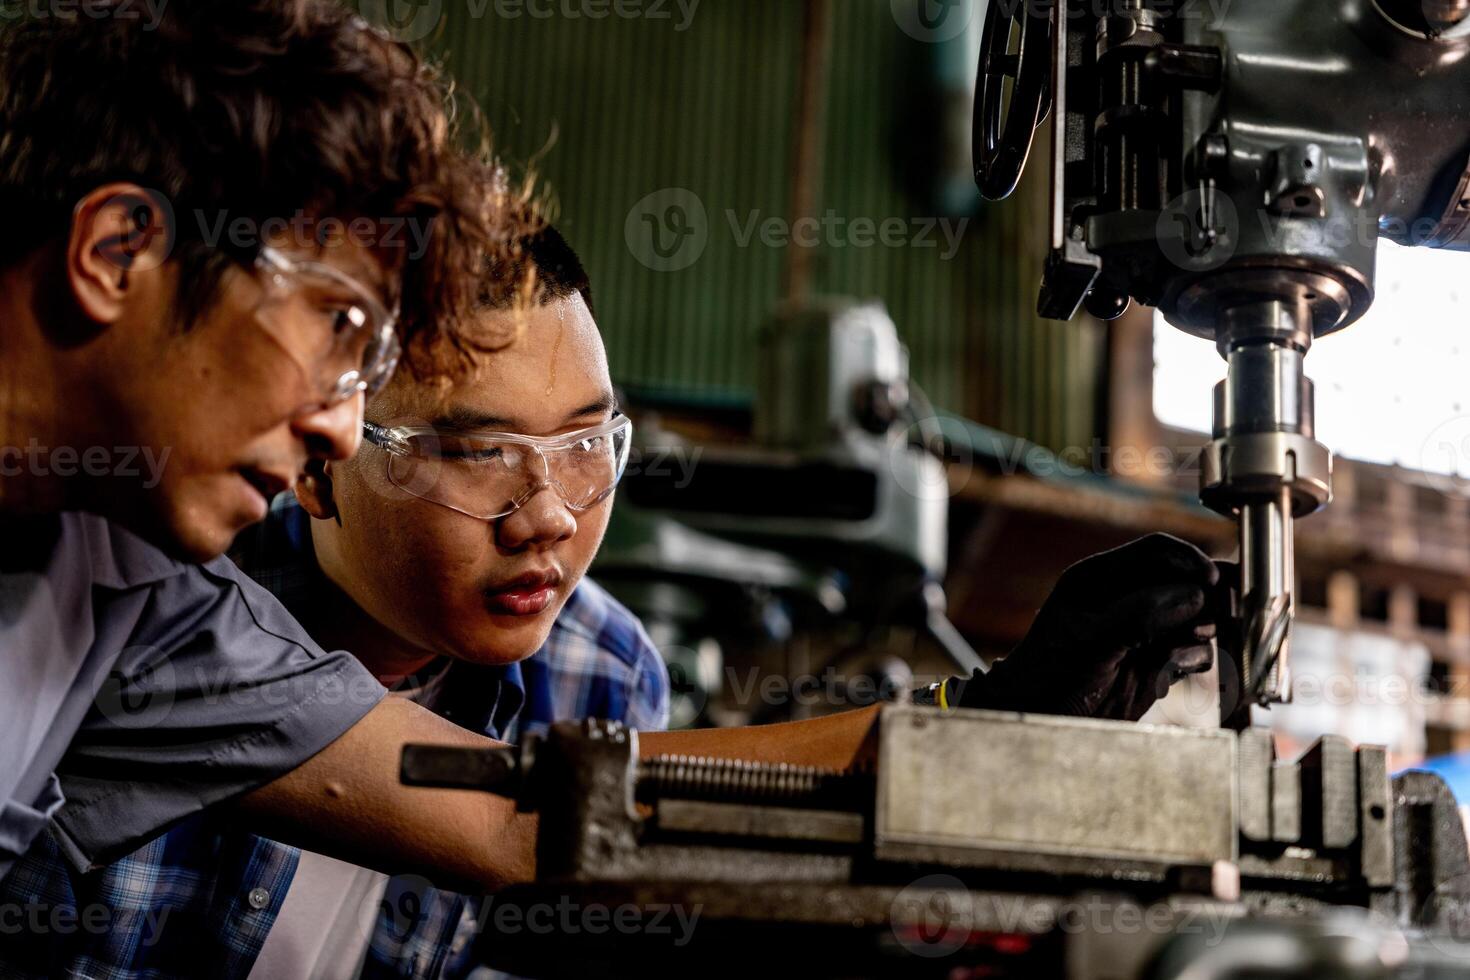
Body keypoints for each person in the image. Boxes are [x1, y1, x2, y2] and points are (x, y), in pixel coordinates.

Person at [0, 227, 668, 979]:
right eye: (480, 452)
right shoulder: (148, 604)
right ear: (318, 465)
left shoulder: (604, 675)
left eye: (585, 442)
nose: (550, 517)